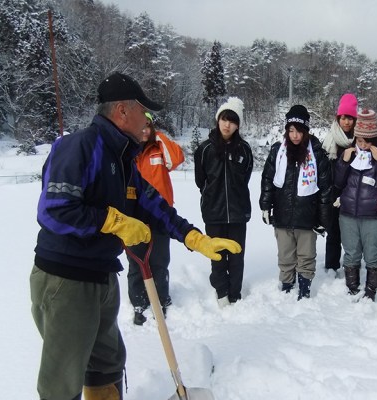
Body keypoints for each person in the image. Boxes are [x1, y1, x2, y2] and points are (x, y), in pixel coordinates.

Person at [30, 72, 241, 400]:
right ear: (122, 110)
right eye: (143, 110)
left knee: (107, 358)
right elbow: (54, 211)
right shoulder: (79, 147)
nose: (147, 118)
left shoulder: (124, 159)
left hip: (100, 277)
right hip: (65, 279)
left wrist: (194, 238)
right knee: (62, 375)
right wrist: (113, 220)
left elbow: (153, 206)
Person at [259, 105, 332, 300]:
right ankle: (286, 286)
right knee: (285, 255)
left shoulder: (316, 153)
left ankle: (304, 288)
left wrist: (323, 219)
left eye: (299, 131)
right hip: (282, 214)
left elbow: (325, 189)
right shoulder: (278, 151)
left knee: (306, 256)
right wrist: (265, 205)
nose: (295, 135)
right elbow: (267, 180)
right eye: (291, 130)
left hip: (307, 216)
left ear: (306, 131)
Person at [126, 112, 185, 325]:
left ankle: (161, 300)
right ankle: (139, 304)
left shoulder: (159, 148)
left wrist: (157, 135)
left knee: (159, 261)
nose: (144, 130)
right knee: (136, 264)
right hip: (133, 219)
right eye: (140, 126)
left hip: (161, 216)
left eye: (147, 126)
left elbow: (177, 158)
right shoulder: (128, 154)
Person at [195, 97, 254, 307]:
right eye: (224, 119)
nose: (227, 124)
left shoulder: (244, 150)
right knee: (217, 255)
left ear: (238, 124)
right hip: (214, 213)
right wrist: (212, 196)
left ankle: (235, 293)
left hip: (238, 213)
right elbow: (200, 180)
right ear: (218, 120)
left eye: (232, 120)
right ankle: (221, 293)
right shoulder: (204, 150)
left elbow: (245, 177)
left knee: (237, 256)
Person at [334, 109, 377, 301]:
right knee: (351, 252)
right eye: (359, 140)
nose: (362, 145)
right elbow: (337, 183)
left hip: (373, 215)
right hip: (348, 214)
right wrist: (343, 163)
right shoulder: (349, 154)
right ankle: (352, 287)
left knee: (372, 253)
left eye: (367, 141)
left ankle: (371, 290)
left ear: (375, 140)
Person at [321, 93, 358, 275]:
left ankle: (352, 267)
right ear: (338, 118)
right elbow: (323, 168)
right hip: (333, 194)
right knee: (334, 232)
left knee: (352, 234)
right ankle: (331, 267)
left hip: (353, 194)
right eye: (344, 117)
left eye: (350, 118)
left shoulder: (360, 140)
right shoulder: (330, 140)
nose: (347, 122)